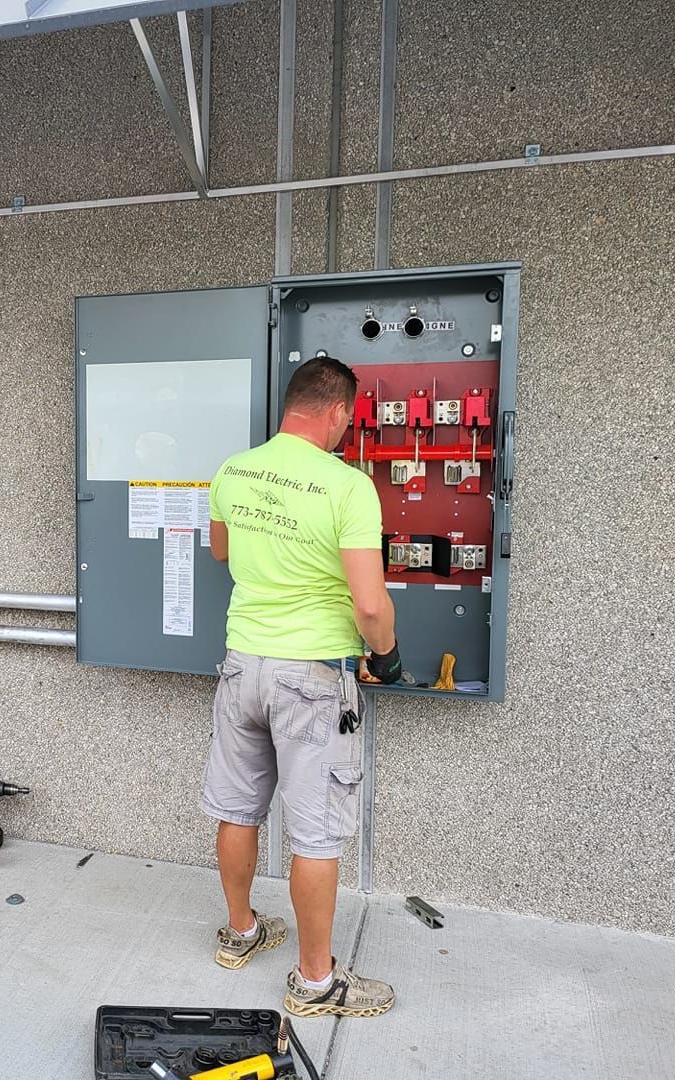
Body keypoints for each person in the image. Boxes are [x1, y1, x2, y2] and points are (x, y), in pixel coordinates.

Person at [203, 355, 401, 1019]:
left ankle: (240, 933)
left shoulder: (233, 470)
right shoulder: (347, 487)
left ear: (290, 405)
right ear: (340, 412)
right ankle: (316, 983)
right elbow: (371, 606)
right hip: (312, 677)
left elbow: (222, 552)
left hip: (242, 667)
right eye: (349, 419)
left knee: (238, 808)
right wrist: (389, 656)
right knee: (314, 835)